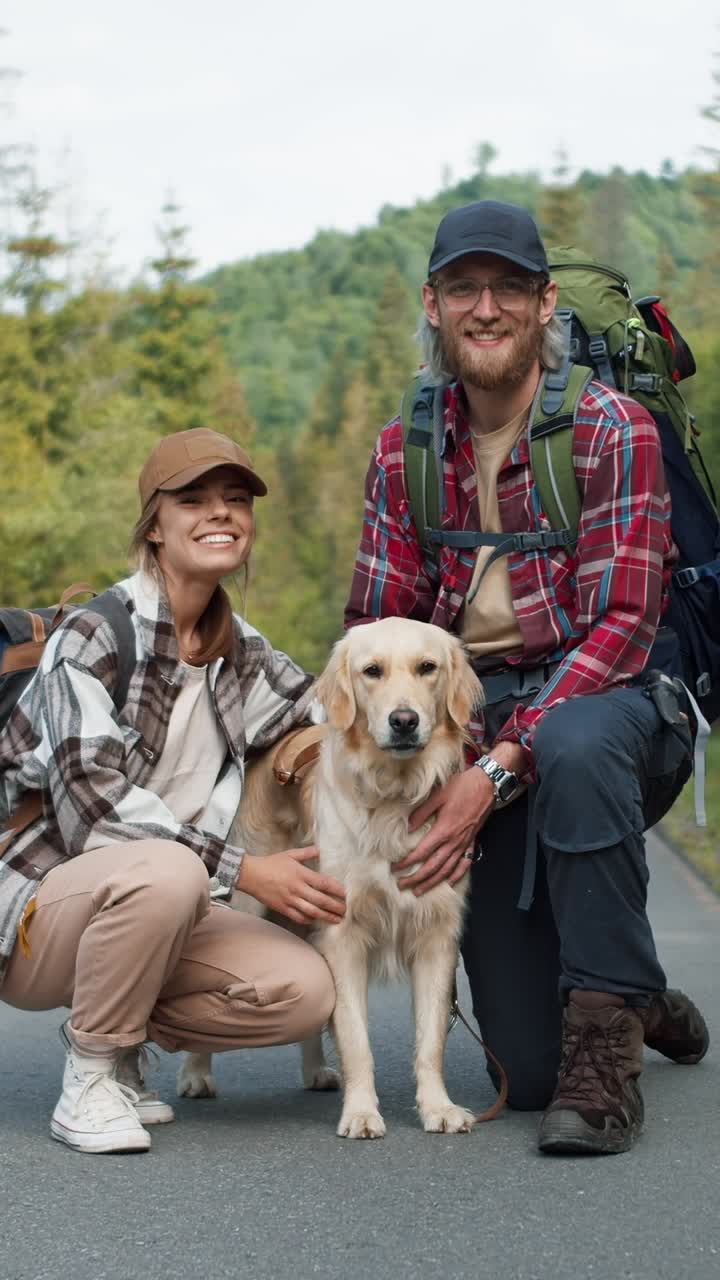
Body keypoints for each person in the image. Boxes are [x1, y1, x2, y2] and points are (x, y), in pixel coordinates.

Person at [345, 200, 709, 1155]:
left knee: (575, 744)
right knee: (529, 1064)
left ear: (546, 303)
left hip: (617, 709)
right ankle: (630, 987)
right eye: (464, 287)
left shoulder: (612, 430)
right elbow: (372, 630)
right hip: (475, 712)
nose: (487, 307)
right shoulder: (406, 450)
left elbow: (622, 629)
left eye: (509, 286)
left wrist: (495, 772)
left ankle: (609, 1060)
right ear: (433, 304)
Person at [0, 427, 343, 1155]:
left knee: (304, 989)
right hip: (35, 906)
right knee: (167, 865)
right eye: (194, 500)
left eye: (236, 500)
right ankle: (92, 1072)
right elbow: (94, 815)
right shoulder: (94, 637)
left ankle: (122, 1032)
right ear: (155, 526)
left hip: (166, 903)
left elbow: (328, 717)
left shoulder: (240, 652)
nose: (220, 513)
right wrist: (248, 872)